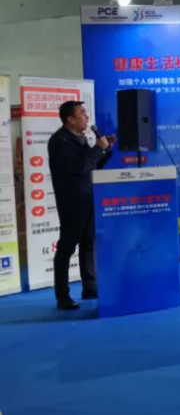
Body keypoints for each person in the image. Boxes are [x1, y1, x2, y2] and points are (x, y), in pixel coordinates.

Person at [48, 101, 115, 310]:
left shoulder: (80, 138)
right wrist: (97, 148)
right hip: (72, 202)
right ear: (70, 119)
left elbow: (92, 166)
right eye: (82, 113)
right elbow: (78, 168)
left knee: (88, 243)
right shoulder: (60, 141)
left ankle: (90, 287)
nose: (87, 117)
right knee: (67, 248)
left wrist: (106, 150)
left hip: (88, 197)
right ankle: (62, 295)